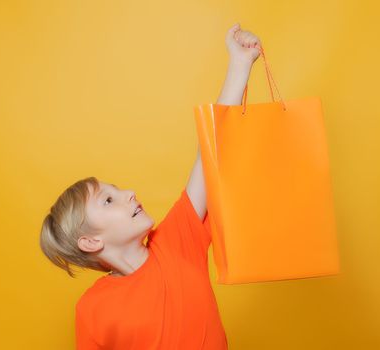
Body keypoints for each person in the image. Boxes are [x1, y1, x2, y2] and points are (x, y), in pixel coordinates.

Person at [39, 22, 262, 349]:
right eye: (109, 201)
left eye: (117, 191)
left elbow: (209, 151)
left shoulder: (175, 242)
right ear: (89, 241)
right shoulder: (92, 310)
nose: (129, 194)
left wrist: (239, 64)